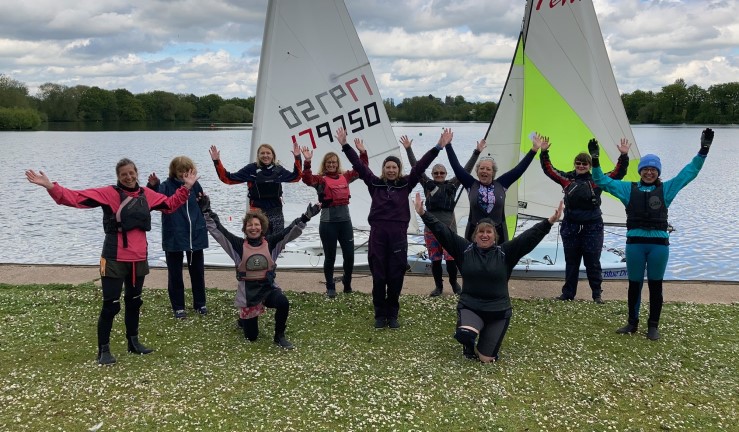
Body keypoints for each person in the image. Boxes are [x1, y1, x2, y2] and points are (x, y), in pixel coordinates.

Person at [25, 159, 197, 365]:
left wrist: (187, 186)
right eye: (124, 174)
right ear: (118, 176)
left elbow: (170, 205)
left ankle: (133, 342)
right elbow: (76, 198)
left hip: (138, 259)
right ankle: (103, 350)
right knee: (111, 305)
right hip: (114, 258)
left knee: (134, 302)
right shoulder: (108, 194)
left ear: (136, 173)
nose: (129, 177)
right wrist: (51, 187)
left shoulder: (147, 194)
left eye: (132, 173)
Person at [591, 128, 714, 340]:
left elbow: (689, 173)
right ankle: (632, 323)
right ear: (640, 171)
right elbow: (601, 181)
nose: (649, 172)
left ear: (658, 172)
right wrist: (595, 160)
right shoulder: (627, 189)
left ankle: (653, 326)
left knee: (655, 286)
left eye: (653, 169)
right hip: (635, 245)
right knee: (634, 285)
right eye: (645, 169)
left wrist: (703, 150)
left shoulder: (667, 189)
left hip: (658, 246)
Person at [415, 192, 563, 362]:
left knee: (486, 359)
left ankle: (484, 338)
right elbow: (442, 232)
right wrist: (423, 213)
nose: (484, 235)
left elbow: (528, 238)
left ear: (495, 237)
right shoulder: (464, 250)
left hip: (498, 311)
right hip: (471, 306)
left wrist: (550, 221)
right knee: (464, 334)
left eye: (489, 232)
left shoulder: (506, 252)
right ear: (475, 235)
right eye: (480, 232)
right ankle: (469, 340)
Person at [343, 129, 450, 328]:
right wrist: (346, 145)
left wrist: (438, 147)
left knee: (395, 275)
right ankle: (379, 315)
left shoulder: (405, 184)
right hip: (378, 235)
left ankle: (392, 314)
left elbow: (420, 166)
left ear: (398, 169)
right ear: (383, 169)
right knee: (379, 276)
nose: (391, 170)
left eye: (394, 167)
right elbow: (359, 166)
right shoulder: (375, 183)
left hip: (398, 236)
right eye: (388, 167)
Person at [198, 195, 321, 349]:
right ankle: (243, 319)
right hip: (248, 294)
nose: (253, 228)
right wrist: (206, 211)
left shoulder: (272, 243)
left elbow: (291, 232)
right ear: (245, 228)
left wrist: (307, 216)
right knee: (252, 337)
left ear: (262, 228)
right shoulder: (237, 245)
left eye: (257, 225)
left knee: (283, 302)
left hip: (268, 288)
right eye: (250, 225)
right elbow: (218, 231)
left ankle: (279, 336)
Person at [537, 133, 631, 303]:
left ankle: (597, 295)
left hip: (592, 227)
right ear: (574, 164)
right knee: (571, 262)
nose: (581, 166)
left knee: (592, 262)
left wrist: (623, 155)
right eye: (578, 163)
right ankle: (568, 294)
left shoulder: (597, 179)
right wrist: (544, 152)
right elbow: (549, 170)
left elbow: (618, 173)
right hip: (570, 226)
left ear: (589, 165)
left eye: (585, 163)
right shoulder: (566, 179)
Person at [400, 134, 485, 296]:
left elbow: (465, 170)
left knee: (451, 259)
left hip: (448, 228)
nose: (439, 175)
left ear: (446, 174)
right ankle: (439, 287)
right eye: (436, 173)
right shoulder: (427, 184)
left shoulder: (453, 184)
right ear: (432, 175)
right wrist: (408, 149)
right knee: (435, 259)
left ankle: (454, 283)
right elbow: (416, 167)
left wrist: (476, 152)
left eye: (442, 173)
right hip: (431, 228)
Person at [300, 127, 368, 298]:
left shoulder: (346, 176)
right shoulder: (320, 180)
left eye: (334, 162)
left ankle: (347, 283)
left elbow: (362, 169)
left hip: (345, 222)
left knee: (350, 256)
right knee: (329, 257)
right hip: (328, 223)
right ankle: (330, 286)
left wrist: (362, 152)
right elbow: (306, 179)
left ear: (338, 164)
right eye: (329, 162)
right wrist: (307, 161)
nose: (332, 164)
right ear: (325, 164)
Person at [147, 156, 209, 319]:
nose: (183, 174)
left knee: (197, 272)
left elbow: (203, 206)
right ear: (174, 171)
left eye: (187, 170)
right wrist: (152, 186)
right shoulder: (166, 186)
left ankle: (200, 303)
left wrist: (205, 202)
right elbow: (153, 202)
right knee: (175, 274)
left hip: (195, 234)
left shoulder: (195, 185)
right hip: (174, 234)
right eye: (180, 171)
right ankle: (178, 307)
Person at [447, 136, 542, 242]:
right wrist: (448, 145)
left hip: (499, 232)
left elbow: (519, 169)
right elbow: (456, 167)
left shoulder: (502, 184)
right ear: (477, 172)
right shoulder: (471, 184)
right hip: (474, 232)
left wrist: (533, 150)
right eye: (481, 168)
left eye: (488, 169)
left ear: (493, 172)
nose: (484, 171)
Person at [209, 141, 302, 236]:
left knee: (277, 242)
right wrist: (217, 161)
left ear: (273, 155)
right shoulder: (251, 169)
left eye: (268, 153)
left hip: (276, 211)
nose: (265, 155)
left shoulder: (278, 170)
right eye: (262, 153)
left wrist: (297, 157)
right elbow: (227, 178)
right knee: (258, 242)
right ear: (258, 156)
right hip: (257, 212)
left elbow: (296, 177)